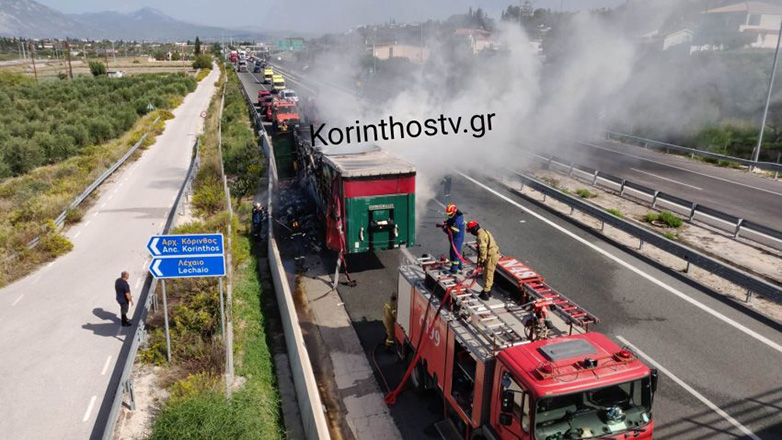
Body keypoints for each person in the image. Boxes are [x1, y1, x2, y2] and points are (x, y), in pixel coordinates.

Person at [466, 221, 499, 301]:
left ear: (474, 229)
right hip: (490, 255)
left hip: (491, 256)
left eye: (470, 231)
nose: (471, 233)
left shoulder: (481, 236)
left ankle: (486, 292)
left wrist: (482, 260)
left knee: (488, 274)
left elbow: (483, 249)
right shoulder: (484, 231)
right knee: (486, 273)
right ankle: (487, 289)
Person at [441, 204, 465, 274]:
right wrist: (447, 222)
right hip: (458, 237)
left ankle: (454, 269)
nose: (449, 215)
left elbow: (453, 232)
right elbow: (451, 220)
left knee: (454, 253)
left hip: (456, 238)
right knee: (458, 251)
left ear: (454, 212)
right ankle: (459, 265)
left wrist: (445, 229)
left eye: (450, 214)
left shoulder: (457, 220)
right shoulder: (457, 215)